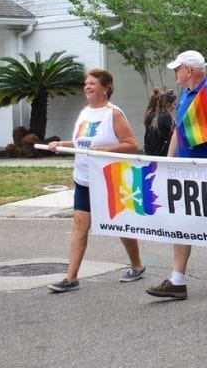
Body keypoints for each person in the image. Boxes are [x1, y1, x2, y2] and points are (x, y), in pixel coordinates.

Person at [146, 50, 207, 300]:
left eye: (178, 68)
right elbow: (179, 130)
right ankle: (177, 279)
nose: (175, 73)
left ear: (189, 70)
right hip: (186, 169)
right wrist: (169, 160)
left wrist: (204, 135)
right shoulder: (186, 93)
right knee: (181, 221)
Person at [47, 69, 146, 292]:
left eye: (92, 83)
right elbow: (81, 142)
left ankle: (137, 265)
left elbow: (130, 144)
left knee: (120, 224)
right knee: (80, 225)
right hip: (83, 178)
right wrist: (61, 144)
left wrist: (104, 150)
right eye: (86, 84)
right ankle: (71, 278)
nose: (87, 87)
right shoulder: (84, 113)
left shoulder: (113, 114)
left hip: (109, 177)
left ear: (106, 88)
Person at [143, 88, 176, 156]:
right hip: (161, 153)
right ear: (168, 104)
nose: (174, 106)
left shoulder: (151, 115)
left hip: (151, 152)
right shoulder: (164, 117)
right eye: (174, 104)